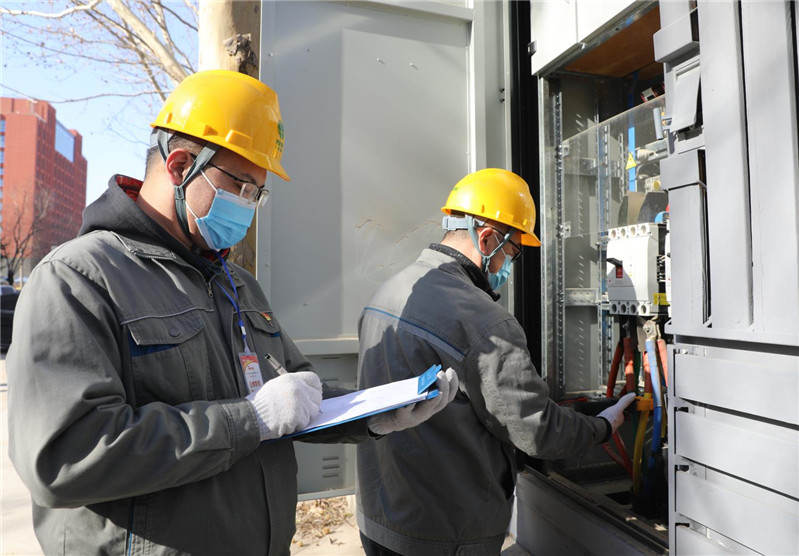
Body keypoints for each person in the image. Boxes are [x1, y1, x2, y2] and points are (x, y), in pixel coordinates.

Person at [6, 69, 457, 556]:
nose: (250, 206)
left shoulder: (236, 283)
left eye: (258, 193)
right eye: (242, 187)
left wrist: (375, 413)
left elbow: (295, 395)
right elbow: (65, 456)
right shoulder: (78, 279)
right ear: (181, 166)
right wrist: (248, 421)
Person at [355, 168, 636, 556]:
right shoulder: (485, 321)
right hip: (443, 536)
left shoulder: (388, 292)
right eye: (513, 251)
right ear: (486, 238)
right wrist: (601, 427)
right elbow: (537, 430)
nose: (510, 264)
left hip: (379, 519)